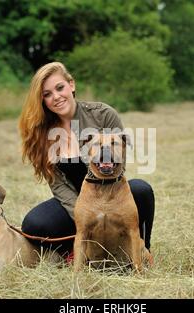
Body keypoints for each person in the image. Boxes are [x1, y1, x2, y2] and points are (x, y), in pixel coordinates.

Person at [18, 61, 155, 259]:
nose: (56, 97)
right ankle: (76, 251)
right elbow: (57, 186)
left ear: (71, 85)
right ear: (42, 100)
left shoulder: (103, 115)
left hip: (111, 192)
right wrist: (86, 215)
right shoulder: (41, 133)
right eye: (47, 94)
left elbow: (117, 161)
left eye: (60, 87)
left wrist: (105, 210)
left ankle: (140, 252)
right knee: (34, 224)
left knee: (141, 190)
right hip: (75, 202)